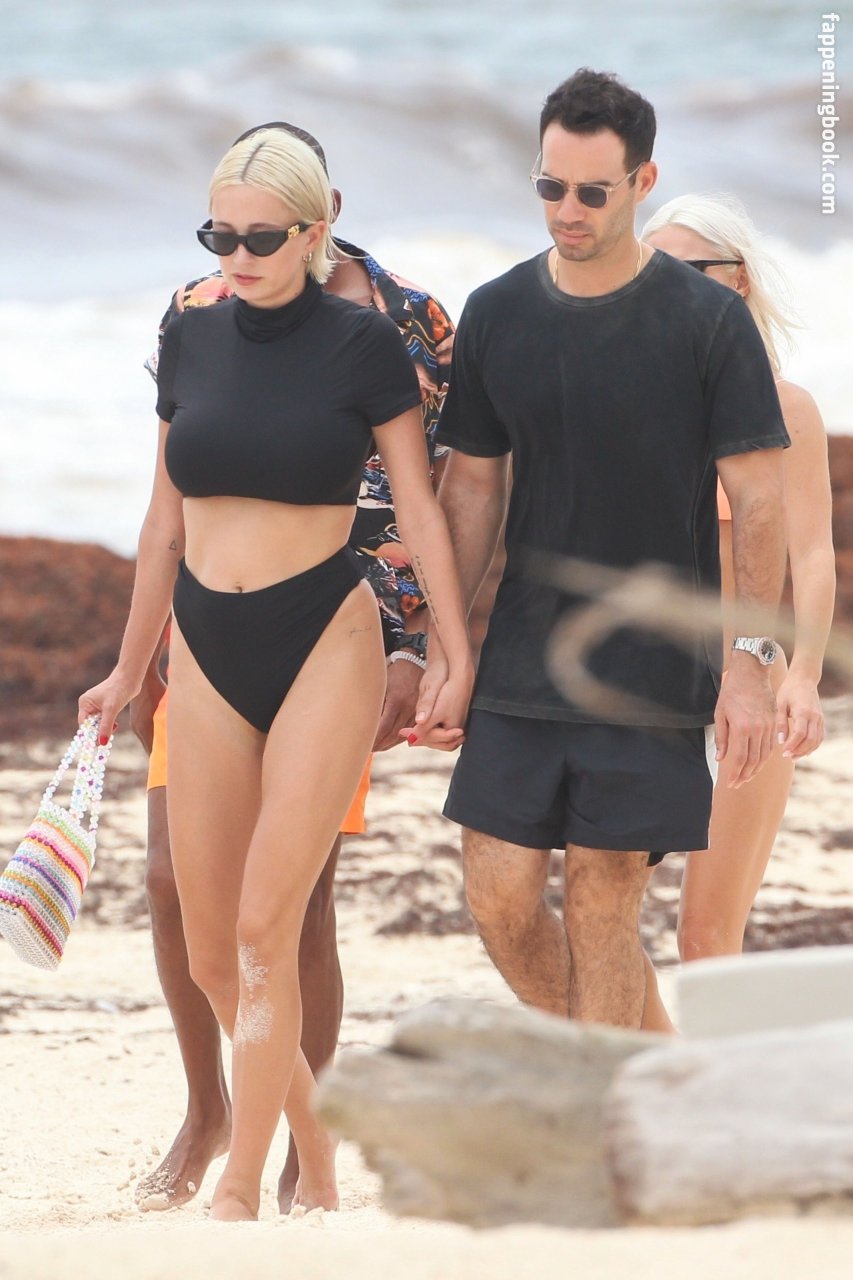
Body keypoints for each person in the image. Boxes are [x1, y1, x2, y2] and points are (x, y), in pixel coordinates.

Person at [79, 127, 473, 1221]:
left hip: (325, 642)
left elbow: (423, 509)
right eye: (220, 236)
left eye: (260, 237)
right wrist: (126, 668)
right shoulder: (189, 331)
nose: (237, 256)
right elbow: (162, 522)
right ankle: (318, 1149)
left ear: (313, 230)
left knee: (268, 929)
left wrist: (449, 651)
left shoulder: (369, 342)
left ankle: (241, 1190)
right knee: (213, 953)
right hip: (205, 644)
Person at [410, 67, 790, 1031]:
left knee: (601, 908)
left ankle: (604, 1106)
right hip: (522, 657)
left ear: (641, 181)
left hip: (651, 672)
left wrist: (748, 664)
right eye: (549, 186)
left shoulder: (706, 322)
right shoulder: (498, 310)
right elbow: (473, 489)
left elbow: (757, 500)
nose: (566, 210)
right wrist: (444, 647)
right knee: (496, 898)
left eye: (591, 191)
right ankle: (647, 1069)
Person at [642, 193, 835, 960]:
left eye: (694, 269)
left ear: (739, 278)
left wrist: (804, 676)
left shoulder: (786, 407)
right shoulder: (626, 406)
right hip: (639, 681)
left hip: (747, 680)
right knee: (602, 912)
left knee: (706, 936)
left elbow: (811, 554)